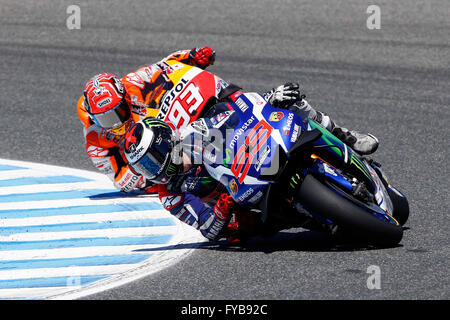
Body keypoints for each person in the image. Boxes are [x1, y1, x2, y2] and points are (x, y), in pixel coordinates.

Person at [77, 47, 378, 195]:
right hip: (179, 157)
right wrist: (149, 173)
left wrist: (195, 56)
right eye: (105, 117)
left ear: (121, 95)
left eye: (115, 111)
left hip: (209, 114)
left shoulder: (134, 84)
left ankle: (343, 136)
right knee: (218, 186)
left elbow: (168, 64)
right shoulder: (96, 139)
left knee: (284, 101)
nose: (114, 120)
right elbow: (122, 179)